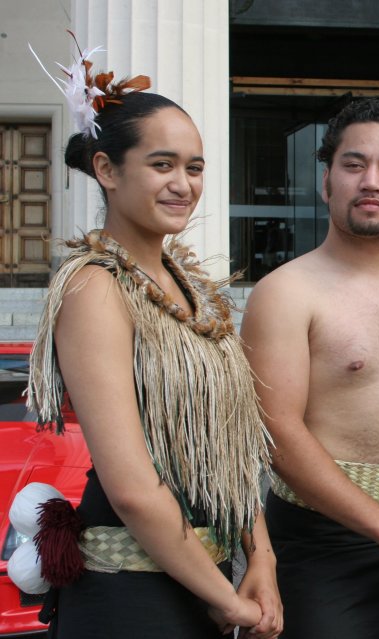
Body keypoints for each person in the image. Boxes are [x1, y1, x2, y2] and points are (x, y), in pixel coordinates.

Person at [25, 44, 280, 639]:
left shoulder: (193, 285)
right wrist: (229, 600)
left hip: (207, 578)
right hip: (130, 596)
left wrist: (261, 559)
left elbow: (232, 448)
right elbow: (134, 490)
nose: (183, 184)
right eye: (162, 164)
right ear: (107, 170)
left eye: (194, 167)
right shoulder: (94, 288)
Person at [240, 98, 379, 639]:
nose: (371, 181)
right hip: (323, 546)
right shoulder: (285, 293)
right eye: (353, 165)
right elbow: (277, 433)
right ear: (326, 183)